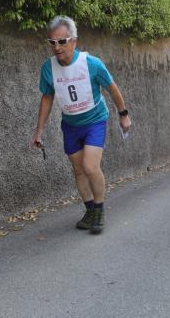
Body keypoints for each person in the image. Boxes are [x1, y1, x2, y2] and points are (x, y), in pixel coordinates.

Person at [32, 16, 131, 234]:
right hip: (70, 124)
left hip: (95, 120)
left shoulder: (91, 64)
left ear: (74, 41)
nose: (57, 47)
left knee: (90, 167)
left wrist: (123, 114)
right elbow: (47, 98)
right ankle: (89, 211)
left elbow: (112, 88)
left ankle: (100, 210)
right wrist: (39, 131)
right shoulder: (48, 69)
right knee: (78, 170)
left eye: (62, 41)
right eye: (52, 42)